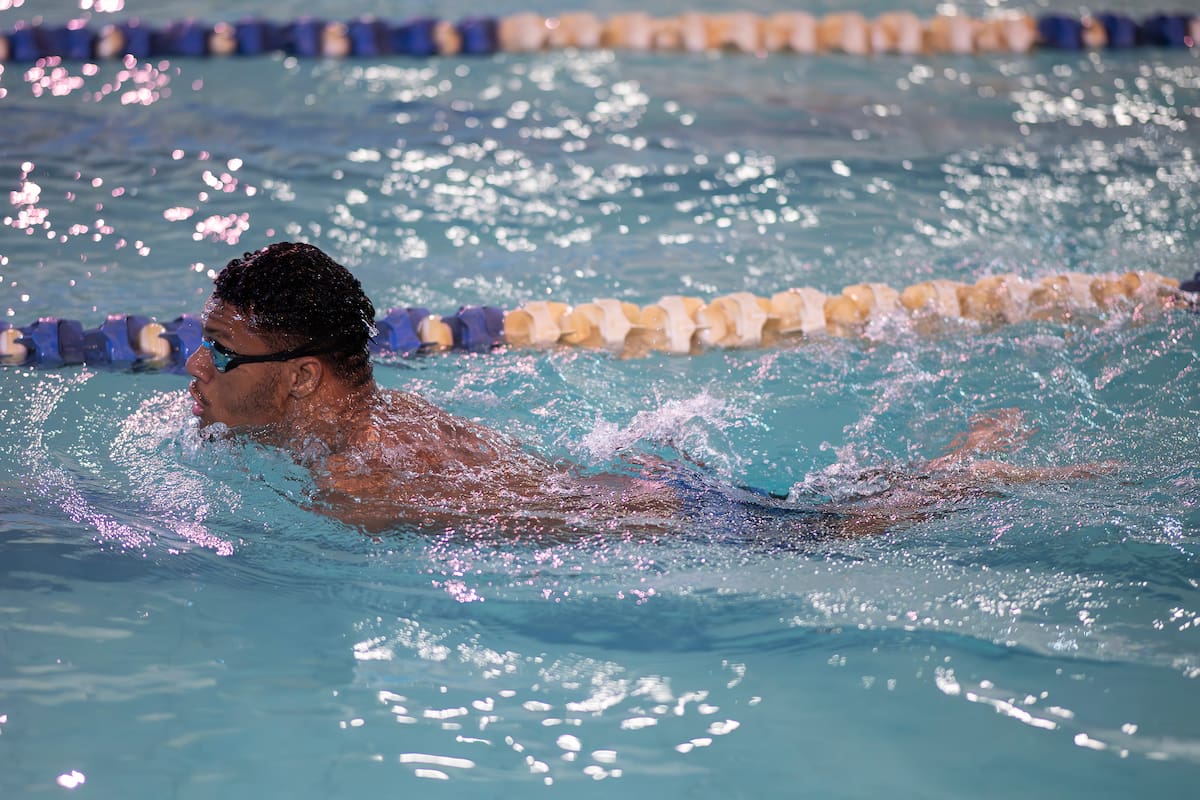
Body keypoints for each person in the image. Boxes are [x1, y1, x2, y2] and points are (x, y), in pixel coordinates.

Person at [186, 242, 1110, 535]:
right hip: (650, 490)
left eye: (222, 354)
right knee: (846, 510)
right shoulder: (383, 417)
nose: (197, 367)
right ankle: (974, 461)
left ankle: (1031, 472)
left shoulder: (356, 485)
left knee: (841, 529)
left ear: (303, 377)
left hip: (671, 519)